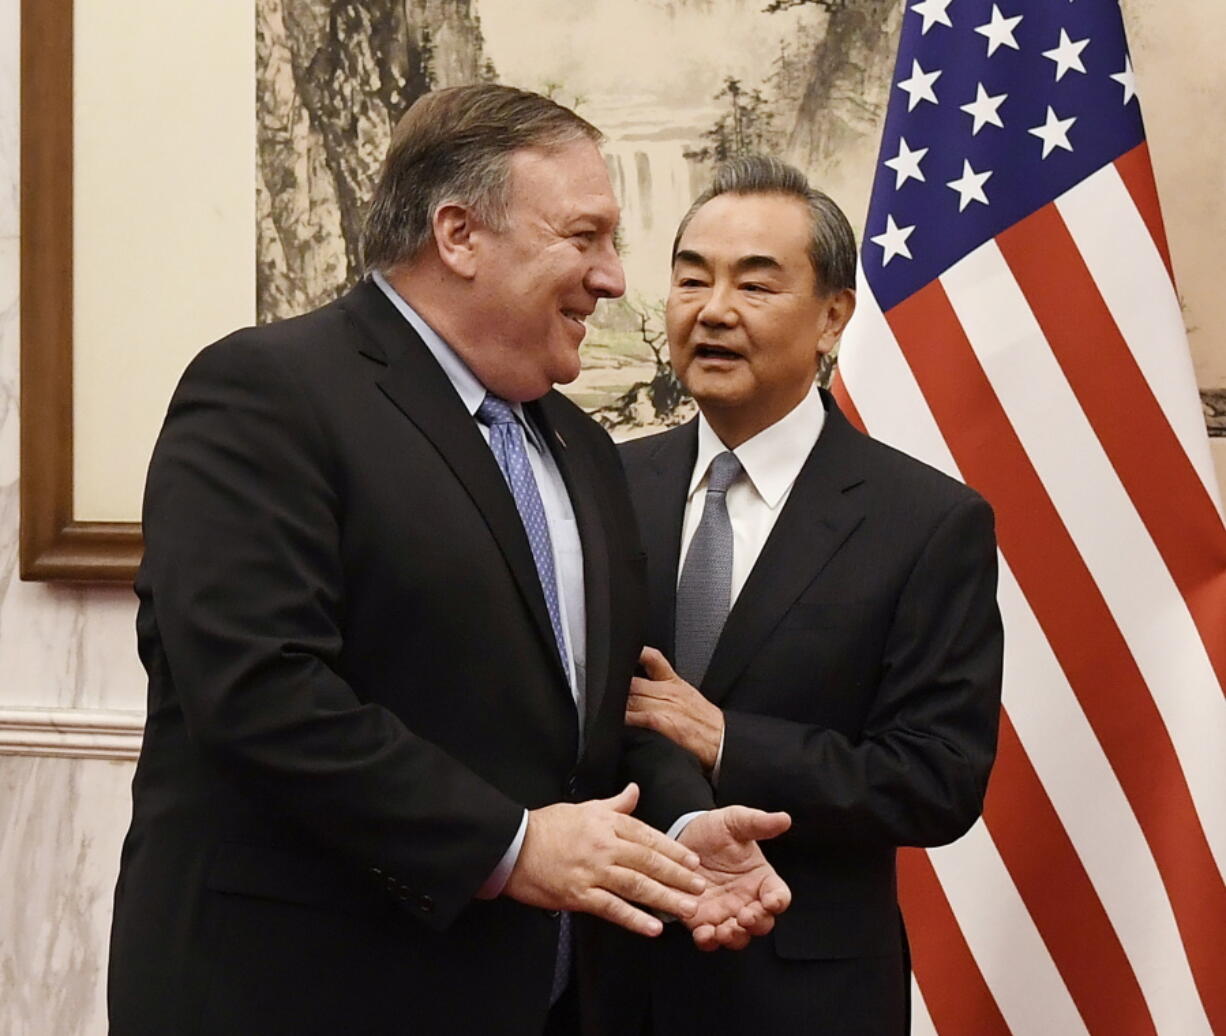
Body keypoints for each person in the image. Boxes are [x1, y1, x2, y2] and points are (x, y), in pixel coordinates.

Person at [107, 86, 791, 1036]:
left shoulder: (583, 451)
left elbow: (605, 709)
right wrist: (509, 846)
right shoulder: (269, 393)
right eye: (585, 238)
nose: (614, 280)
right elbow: (258, 689)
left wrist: (677, 831)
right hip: (305, 995)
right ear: (460, 235)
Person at [617, 155, 1004, 1034]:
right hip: (612, 974)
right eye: (690, 279)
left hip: (804, 991)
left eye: (756, 285)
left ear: (833, 316)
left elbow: (936, 780)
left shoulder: (925, 522)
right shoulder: (603, 486)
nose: (713, 310)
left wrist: (728, 741)